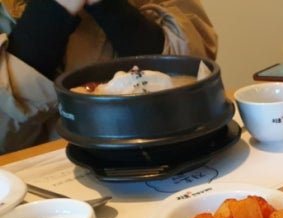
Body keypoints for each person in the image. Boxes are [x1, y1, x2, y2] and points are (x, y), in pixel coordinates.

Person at [0, 0, 218, 154]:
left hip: (172, 150)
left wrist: (111, 7)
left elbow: (198, 74)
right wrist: (50, 14)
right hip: (38, 182)